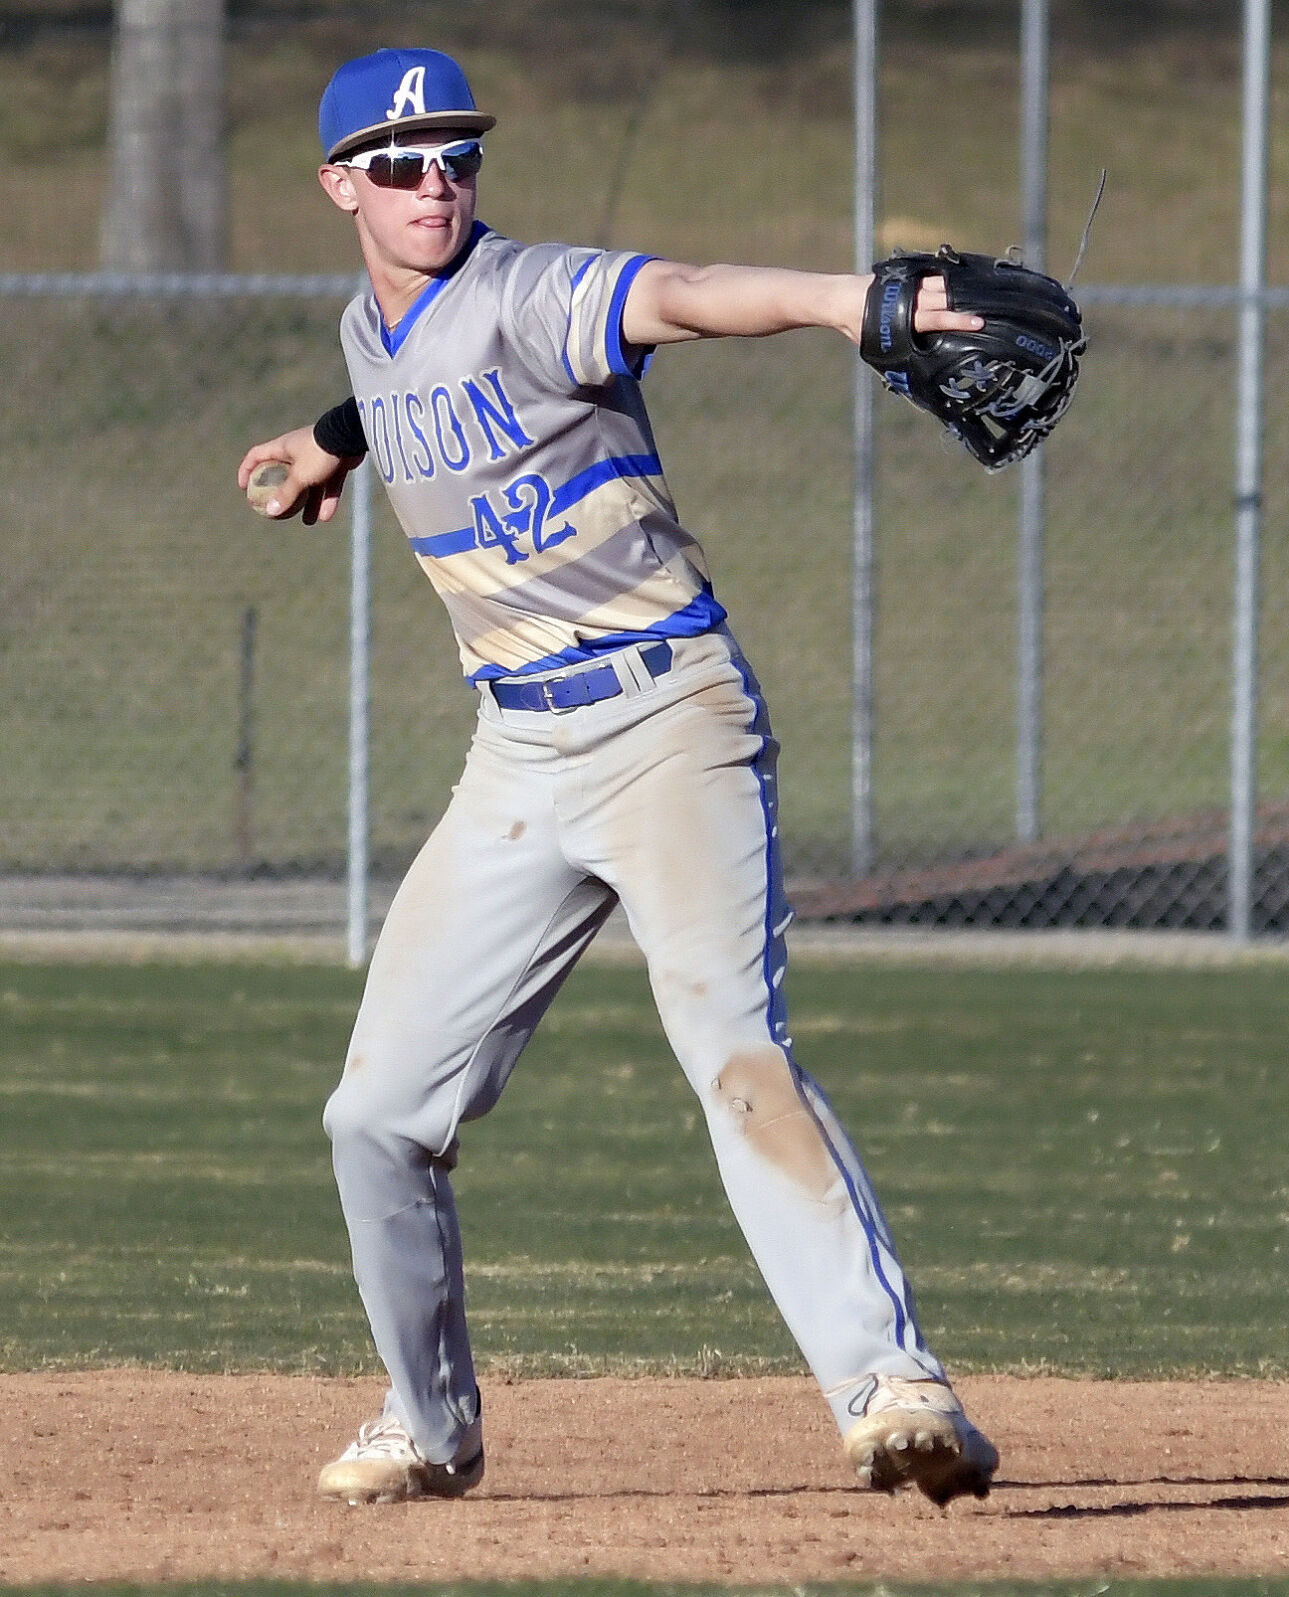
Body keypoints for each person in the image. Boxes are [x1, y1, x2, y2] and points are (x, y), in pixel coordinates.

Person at [239, 45, 999, 1509]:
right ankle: (429, 1420)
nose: (433, 182)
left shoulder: (531, 289)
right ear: (340, 185)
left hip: (667, 721)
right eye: (398, 164)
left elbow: (685, 292)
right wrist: (326, 445)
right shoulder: (364, 328)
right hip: (518, 750)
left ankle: (892, 1386)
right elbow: (388, 382)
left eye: (454, 154)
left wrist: (847, 301)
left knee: (732, 1042)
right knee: (374, 1114)